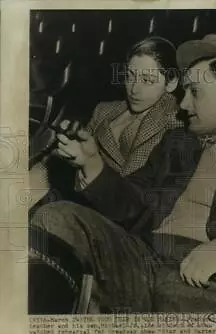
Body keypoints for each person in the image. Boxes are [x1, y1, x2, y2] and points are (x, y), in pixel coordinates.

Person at [30, 34, 216, 313]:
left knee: (166, 298)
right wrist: (91, 162)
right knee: (56, 217)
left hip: (209, 280)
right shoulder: (178, 142)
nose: (182, 105)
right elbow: (133, 205)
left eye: (194, 91)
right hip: (142, 258)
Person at [29, 36, 182, 209]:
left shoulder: (175, 126)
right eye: (130, 76)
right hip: (74, 193)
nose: (134, 89)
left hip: (113, 212)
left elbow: (134, 198)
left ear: (171, 83)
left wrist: (87, 163)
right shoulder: (105, 110)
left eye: (147, 80)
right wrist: (68, 143)